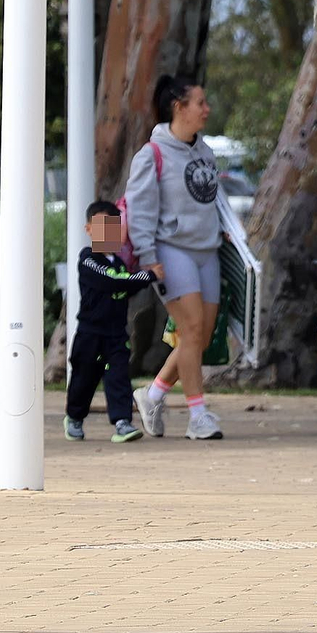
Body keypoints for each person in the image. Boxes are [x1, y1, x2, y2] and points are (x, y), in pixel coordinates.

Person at [127, 73, 226, 441]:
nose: (207, 109)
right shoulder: (151, 155)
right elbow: (139, 210)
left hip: (207, 251)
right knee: (190, 330)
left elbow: (214, 198)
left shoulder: (205, 150)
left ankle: (152, 396)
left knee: (197, 338)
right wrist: (148, 256)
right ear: (178, 107)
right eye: (200, 103)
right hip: (172, 250)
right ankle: (198, 415)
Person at [65, 201, 164, 442]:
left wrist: (136, 279)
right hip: (90, 333)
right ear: (89, 230)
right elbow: (113, 282)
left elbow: (123, 287)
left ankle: (122, 422)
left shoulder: (119, 264)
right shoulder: (88, 259)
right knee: (84, 378)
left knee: (118, 376)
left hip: (116, 334)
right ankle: (74, 417)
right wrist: (148, 275)